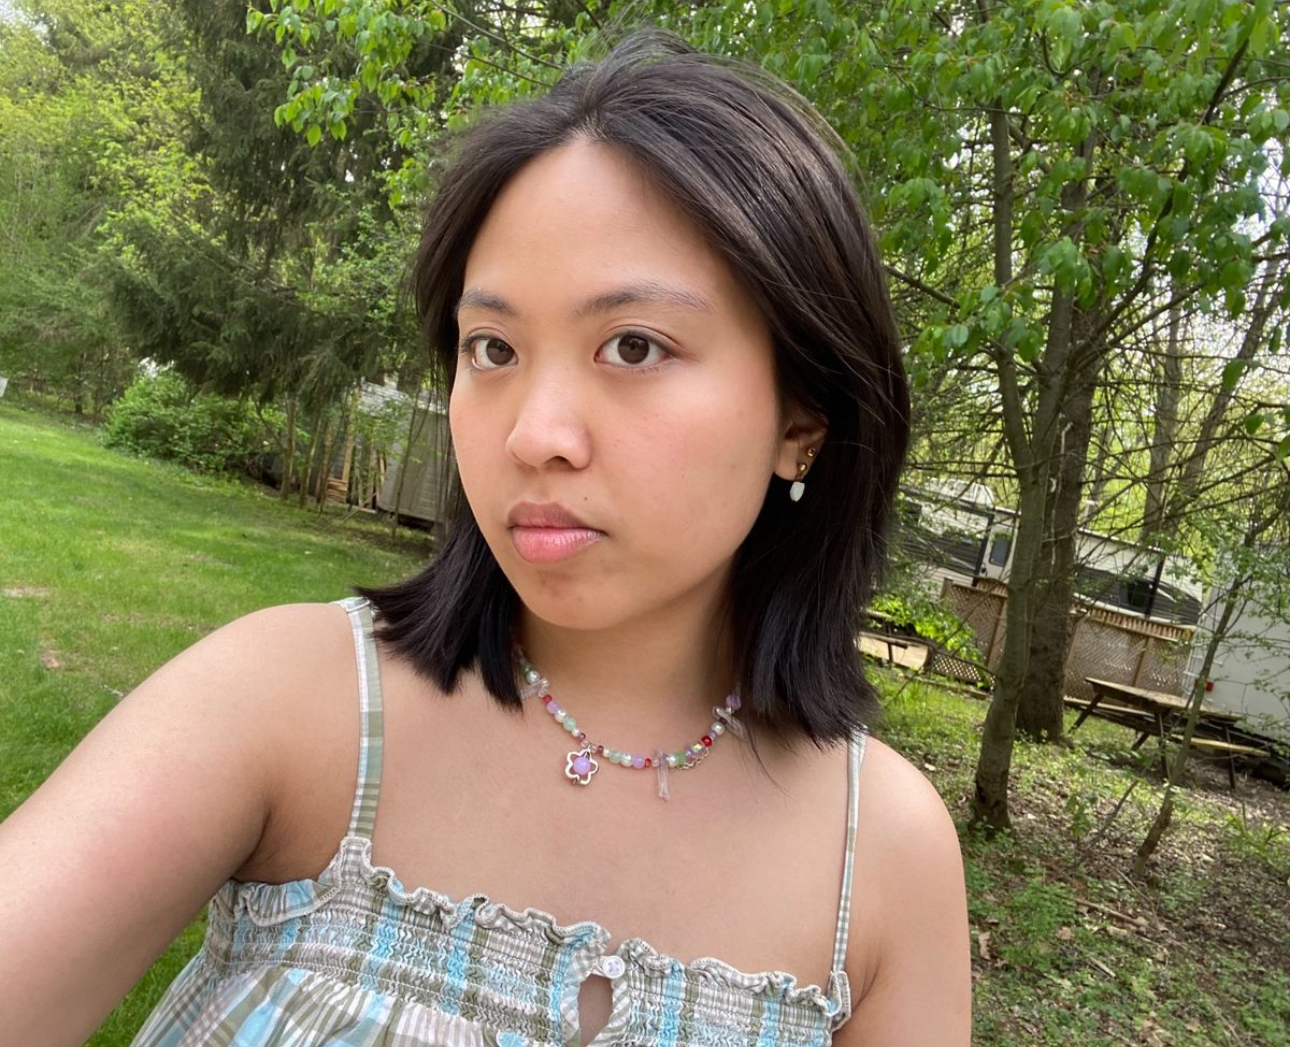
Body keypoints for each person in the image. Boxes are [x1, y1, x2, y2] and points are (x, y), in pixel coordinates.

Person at [0, 27, 971, 1047]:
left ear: (801, 420)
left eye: (633, 346)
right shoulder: (288, 704)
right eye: (494, 348)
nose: (534, 435)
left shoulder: (883, 862)